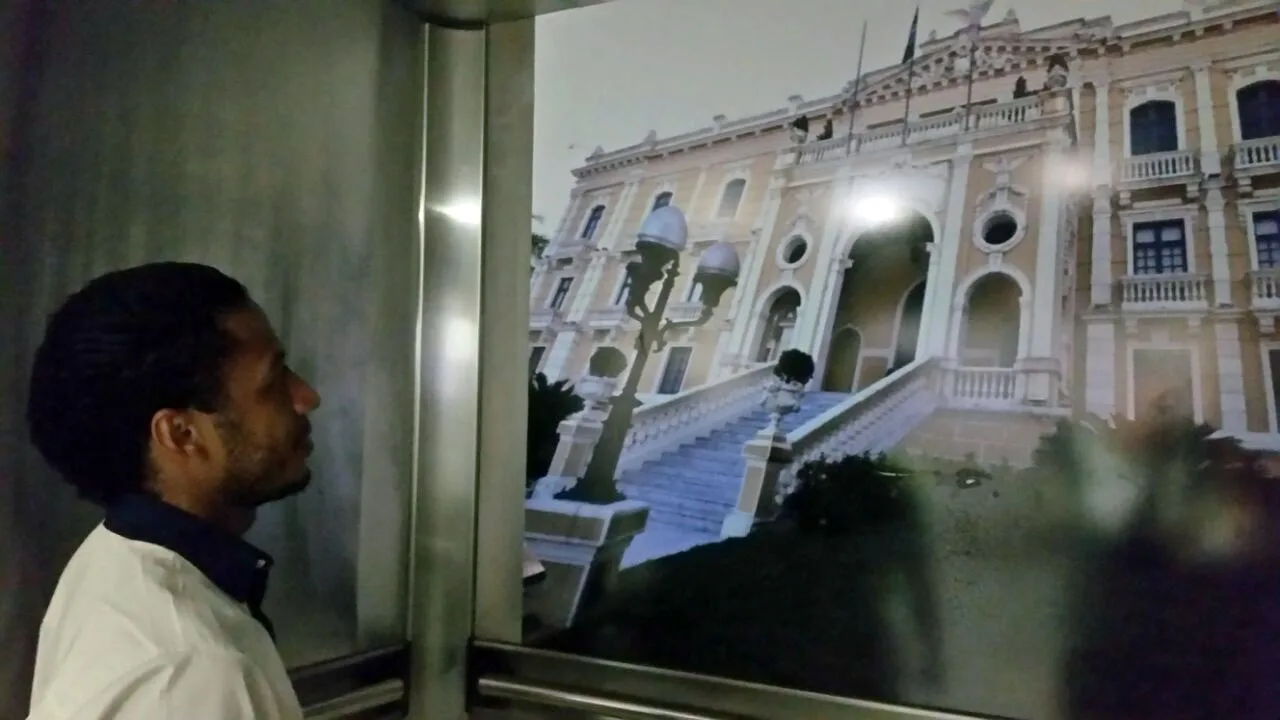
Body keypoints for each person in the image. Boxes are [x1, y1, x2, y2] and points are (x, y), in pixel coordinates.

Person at [24, 262, 321, 719]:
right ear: (181, 435)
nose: (306, 396)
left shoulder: (114, 557)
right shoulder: (191, 675)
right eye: (274, 381)